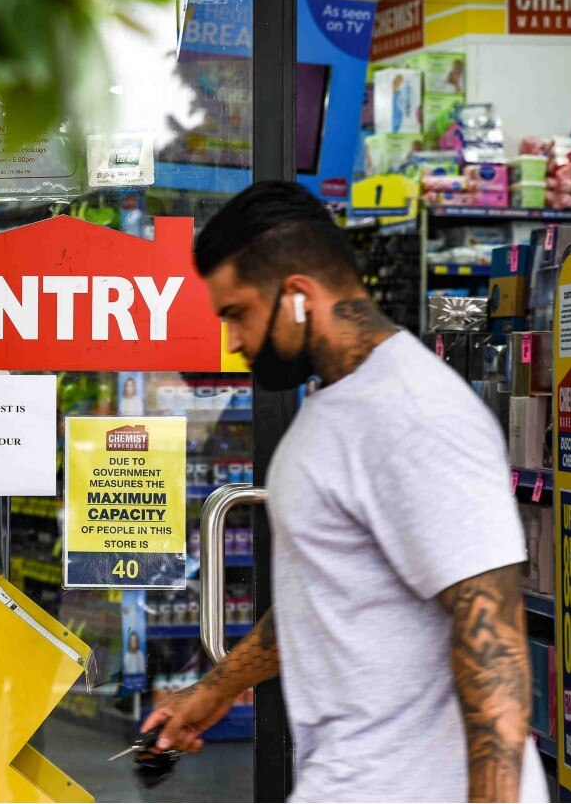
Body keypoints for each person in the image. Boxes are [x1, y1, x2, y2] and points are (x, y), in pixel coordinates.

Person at [143, 181, 545, 803]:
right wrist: (216, 689)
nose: (233, 340)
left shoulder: (416, 413)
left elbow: (493, 640)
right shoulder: (334, 405)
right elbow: (327, 593)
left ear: (299, 295)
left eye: (238, 314)